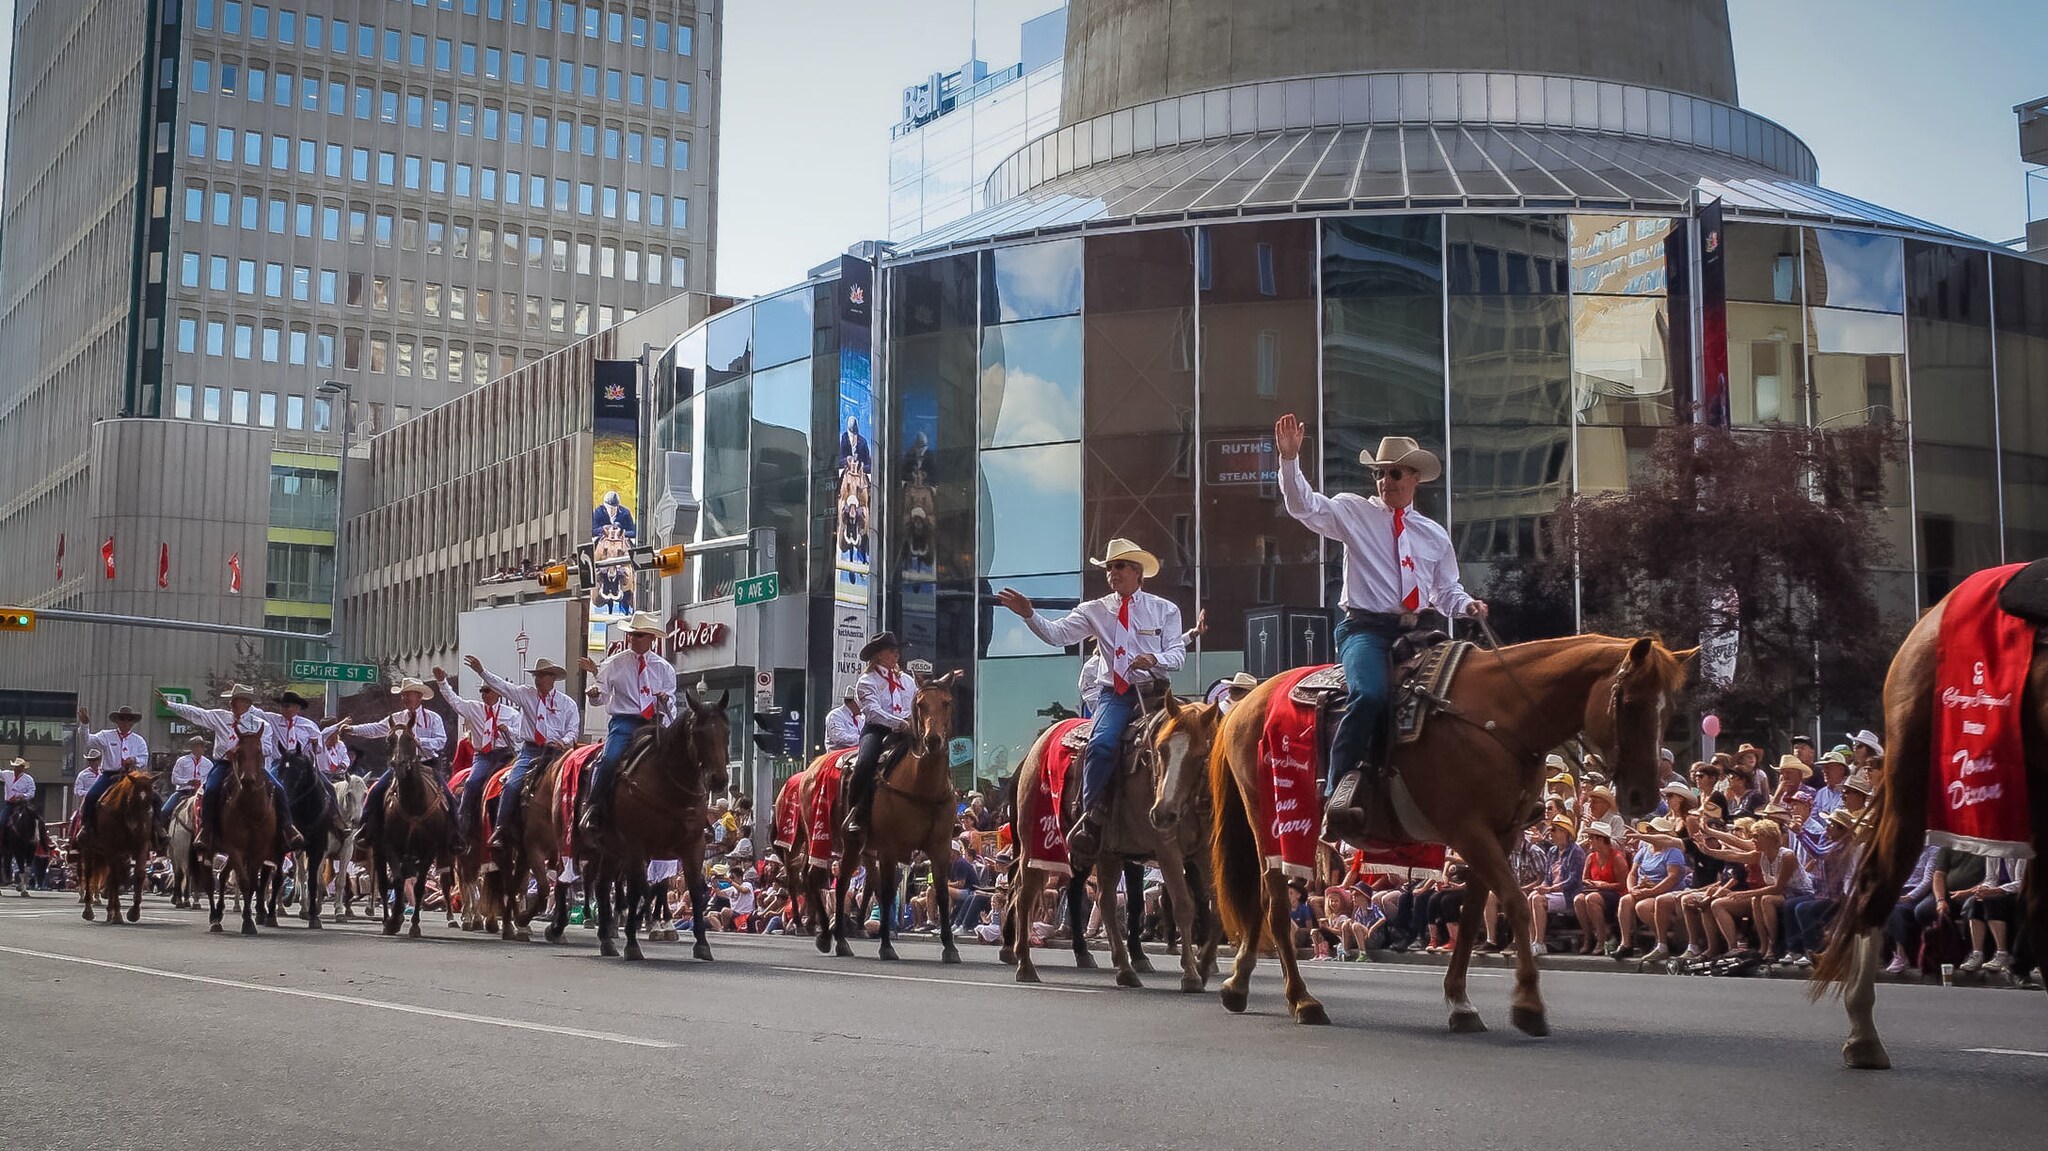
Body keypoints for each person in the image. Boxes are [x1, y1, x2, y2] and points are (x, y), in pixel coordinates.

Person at [1270, 415, 1485, 839]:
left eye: (1394, 473)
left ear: (1415, 478)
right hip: (1365, 629)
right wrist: (1289, 461)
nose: (1385, 480)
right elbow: (1305, 506)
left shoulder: (1434, 534)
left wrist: (1468, 605)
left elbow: (1446, 590)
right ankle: (1339, 788)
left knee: (1465, 691)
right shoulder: (1353, 511)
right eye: (1379, 473)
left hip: (1421, 631)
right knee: (1368, 695)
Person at [996, 537, 1186, 857]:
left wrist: (1155, 660)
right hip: (1117, 694)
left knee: (1193, 739)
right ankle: (1091, 816)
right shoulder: (1094, 610)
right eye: (1109, 567)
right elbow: (1058, 635)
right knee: (1101, 744)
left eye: (1120, 566)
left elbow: (1178, 655)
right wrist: (1030, 615)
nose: (1113, 572)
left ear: (1138, 572)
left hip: (1156, 694)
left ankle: (1202, 808)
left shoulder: (1165, 610)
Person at [163, 684, 303, 852]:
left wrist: (244, 751)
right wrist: (170, 705)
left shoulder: (261, 724)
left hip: (251, 765)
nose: (233, 703)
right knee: (211, 789)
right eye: (233, 700)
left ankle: (288, 828)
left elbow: (267, 749)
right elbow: (196, 714)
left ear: (247, 703)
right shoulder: (220, 717)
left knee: (279, 789)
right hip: (225, 765)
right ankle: (206, 831)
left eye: (239, 700)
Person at [466, 655, 581, 850]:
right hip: (531, 751)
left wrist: (564, 741)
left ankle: (580, 830)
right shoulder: (526, 694)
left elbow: (573, 730)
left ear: (553, 678)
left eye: (543, 675)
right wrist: (481, 671)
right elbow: (502, 686)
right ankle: (500, 830)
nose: (538, 679)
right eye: (536, 675)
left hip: (557, 753)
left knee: (577, 783)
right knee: (511, 785)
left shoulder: (567, 703)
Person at [579, 611, 677, 832]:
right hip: (624, 723)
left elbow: (670, 705)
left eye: (639, 635)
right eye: (631, 634)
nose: (633, 639)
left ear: (652, 638)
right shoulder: (614, 663)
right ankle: (594, 807)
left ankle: (685, 811)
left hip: (654, 724)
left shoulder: (664, 668)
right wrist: (594, 694)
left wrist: (665, 699)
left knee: (679, 759)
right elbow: (601, 697)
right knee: (609, 759)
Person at [342, 677, 457, 852]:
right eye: (403, 695)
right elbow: (376, 729)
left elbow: (441, 741)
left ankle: (455, 834)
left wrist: (419, 741)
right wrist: (354, 729)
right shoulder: (396, 718)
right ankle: (365, 830)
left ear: (419, 696)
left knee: (448, 796)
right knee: (376, 790)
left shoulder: (433, 718)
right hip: (400, 765)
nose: (405, 698)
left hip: (427, 764)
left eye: (408, 694)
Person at [434, 667, 525, 843]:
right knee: (473, 782)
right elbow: (453, 700)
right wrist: (442, 682)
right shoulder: (472, 708)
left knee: (517, 783)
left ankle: (513, 823)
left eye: (487, 690)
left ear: (497, 693)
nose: (484, 694)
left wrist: (509, 730)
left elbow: (521, 735)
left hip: (506, 755)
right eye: (482, 691)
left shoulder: (511, 713)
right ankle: (462, 824)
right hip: (484, 756)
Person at [842, 632, 913, 837]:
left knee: (935, 754)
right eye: (891, 650)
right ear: (879, 655)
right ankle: (856, 810)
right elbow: (873, 712)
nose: (896, 654)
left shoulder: (907, 680)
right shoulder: (866, 681)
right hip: (877, 729)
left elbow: (916, 703)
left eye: (897, 651)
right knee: (865, 763)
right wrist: (899, 723)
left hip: (908, 729)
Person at [75, 705, 150, 840]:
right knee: (91, 796)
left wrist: (135, 760)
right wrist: (85, 724)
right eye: (122, 719)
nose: (125, 722)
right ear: (117, 721)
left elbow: (144, 759)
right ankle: (87, 827)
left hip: (132, 777)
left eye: (128, 719)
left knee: (153, 798)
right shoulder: (106, 735)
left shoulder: (138, 740)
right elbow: (88, 741)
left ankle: (156, 831)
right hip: (110, 775)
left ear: (132, 722)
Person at [1526, 817, 1585, 956]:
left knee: (1538, 900)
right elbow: (1547, 878)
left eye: (1554, 830)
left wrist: (1549, 889)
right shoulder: (1552, 851)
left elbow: (1573, 880)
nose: (1551, 833)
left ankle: (1540, 942)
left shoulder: (1576, 852)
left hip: (1568, 894)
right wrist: (1543, 887)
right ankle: (1532, 941)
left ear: (1565, 833)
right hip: (1552, 893)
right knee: (1531, 896)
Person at [163, 736, 209, 827]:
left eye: (203, 746)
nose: (203, 749)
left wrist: (202, 784)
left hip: (201, 794)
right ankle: (162, 834)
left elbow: (208, 780)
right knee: (165, 811)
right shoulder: (182, 761)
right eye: (200, 746)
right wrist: (188, 782)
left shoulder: (208, 764)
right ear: (193, 748)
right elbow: (174, 779)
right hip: (183, 792)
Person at [824, 687, 861, 752]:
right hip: (838, 753)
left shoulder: (861, 718)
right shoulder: (835, 715)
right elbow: (839, 738)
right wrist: (863, 739)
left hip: (857, 751)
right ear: (852, 702)